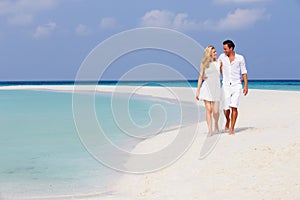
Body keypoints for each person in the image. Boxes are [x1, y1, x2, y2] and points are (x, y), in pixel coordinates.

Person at [218, 40, 248, 135]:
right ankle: (228, 120)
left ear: (231, 48)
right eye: (223, 49)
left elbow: (244, 72)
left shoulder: (240, 58)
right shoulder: (222, 57)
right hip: (226, 85)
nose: (224, 51)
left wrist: (246, 86)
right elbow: (217, 67)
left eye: (225, 49)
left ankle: (232, 128)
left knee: (234, 107)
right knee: (226, 108)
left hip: (236, 85)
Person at [196, 46, 222, 137]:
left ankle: (216, 124)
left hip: (216, 88)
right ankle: (210, 130)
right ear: (209, 53)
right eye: (214, 52)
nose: (216, 53)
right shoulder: (204, 63)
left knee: (216, 111)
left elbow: (224, 73)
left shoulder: (219, 62)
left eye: (215, 52)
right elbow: (200, 77)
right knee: (209, 110)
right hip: (207, 87)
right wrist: (198, 90)